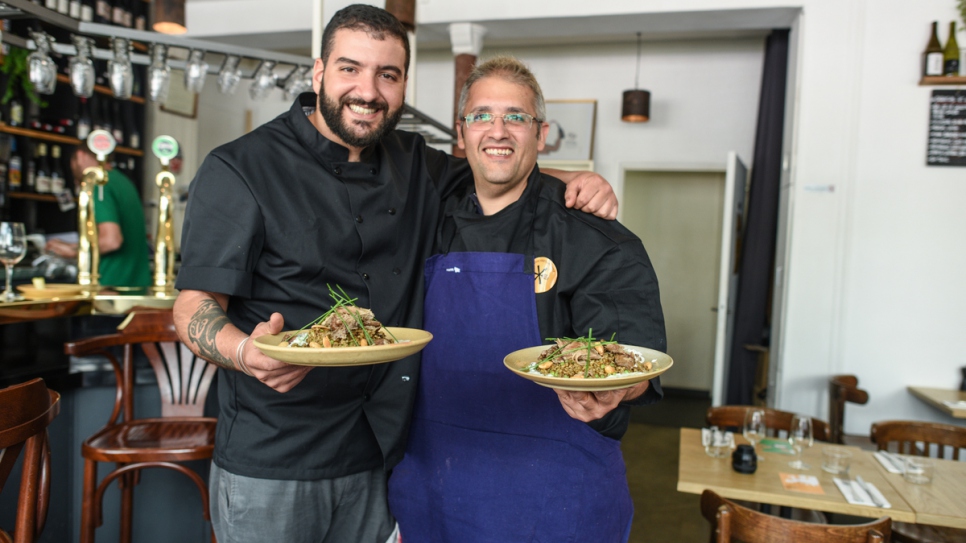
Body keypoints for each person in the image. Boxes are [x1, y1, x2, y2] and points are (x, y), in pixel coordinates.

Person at [171, 5, 618, 543]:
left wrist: (575, 181)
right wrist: (246, 352)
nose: (368, 90)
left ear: (404, 83)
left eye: (388, 74)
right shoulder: (241, 167)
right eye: (350, 69)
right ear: (318, 74)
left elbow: (497, 169)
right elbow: (193, 305)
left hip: (378, 453)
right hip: (275, 456)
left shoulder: (415, 162)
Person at [387, 55, 667, 543]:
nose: (498, 131)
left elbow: (636, 358)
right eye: (482, 116)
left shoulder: (597, 239)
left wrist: (614, 390)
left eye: (516, 117)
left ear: (541, 134)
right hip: (434, 490)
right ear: (461, 133)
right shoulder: (422, 223)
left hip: (558, 502)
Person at [45, 147, 150, 287]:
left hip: (110, 284)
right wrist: (71, 245)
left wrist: (72, 251)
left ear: (80, 155)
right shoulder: (122, 181)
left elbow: (111, 241)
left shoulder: (100, 185)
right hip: (135, 283)